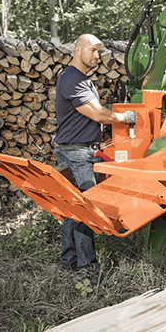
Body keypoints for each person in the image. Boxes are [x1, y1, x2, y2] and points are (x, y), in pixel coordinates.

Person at [54, 34, 137, 271]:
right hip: (77, 152)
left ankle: (70, 263)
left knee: (72, 208)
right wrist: (125, 117)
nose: (97, 56)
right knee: (86, 209)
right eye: (92, 50)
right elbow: (98, 114)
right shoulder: (72, 79)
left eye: (99, 51)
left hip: (76, 149)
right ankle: (87, 268)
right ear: (77, 51)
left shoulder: (80, 79)